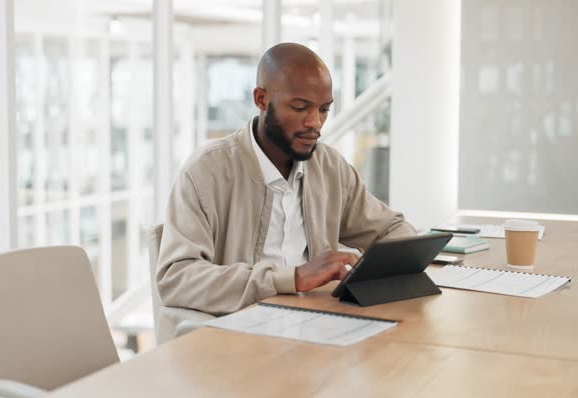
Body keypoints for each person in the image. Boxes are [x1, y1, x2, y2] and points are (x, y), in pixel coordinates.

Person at [156, 43, 416, 316]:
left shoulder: (330, 167)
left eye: (324, 109)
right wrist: (292, 278)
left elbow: (393, 230)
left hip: (316, 323)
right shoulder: (206, 171)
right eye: (300, 107)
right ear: (261, 99)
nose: (315, 122)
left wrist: (366, 274)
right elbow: (176, 278)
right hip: (239, 333)